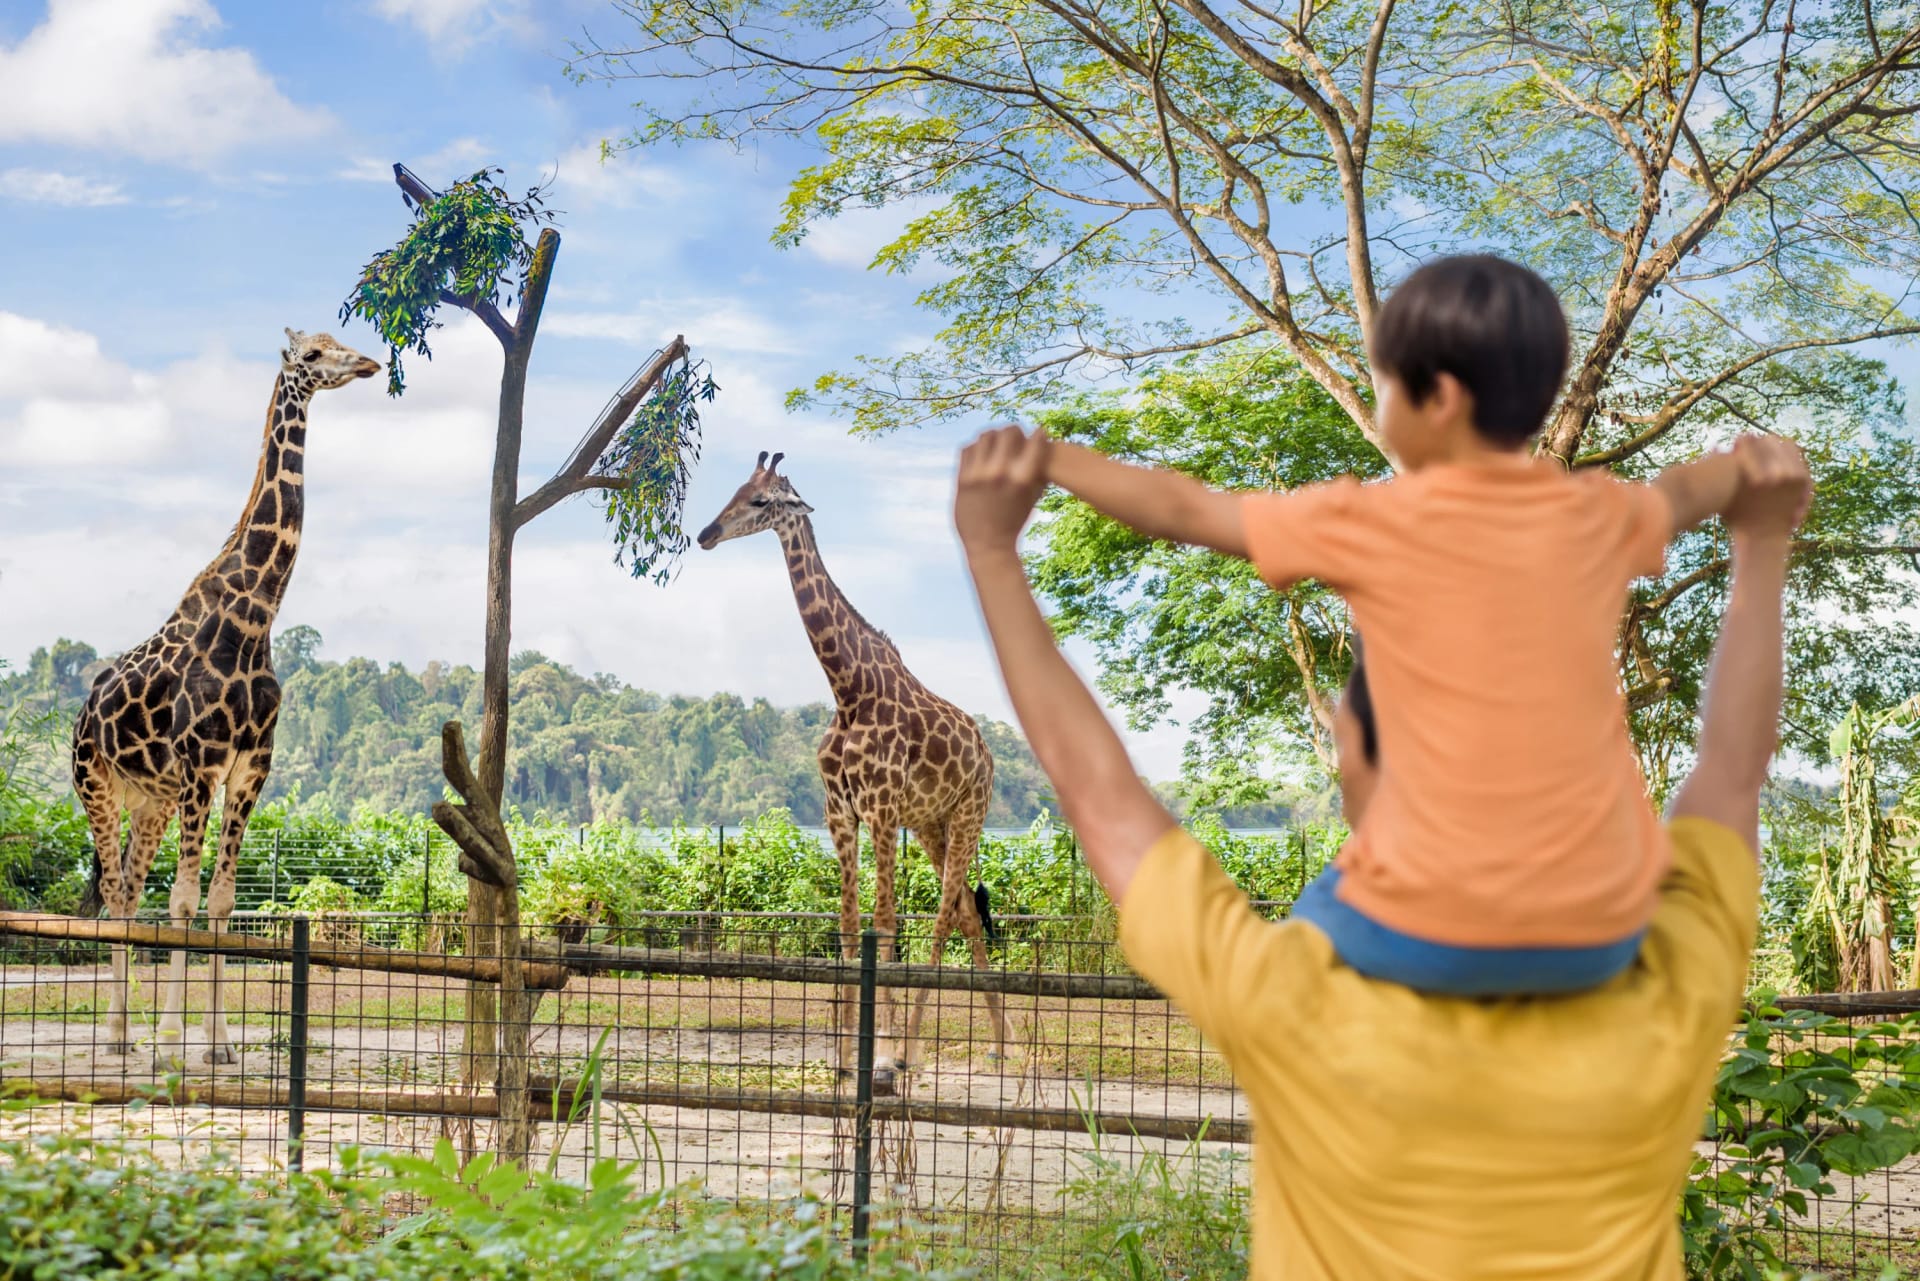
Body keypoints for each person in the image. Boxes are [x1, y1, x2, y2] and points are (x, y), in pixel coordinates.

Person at [953, 422, 1809, 1278]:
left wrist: (993, 552)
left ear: (1355, 753)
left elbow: (1100, 797)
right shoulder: (1666, 979)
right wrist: (1763, 541)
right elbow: (1730, 774)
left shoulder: (1296, 998)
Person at [1040, 255, 1765, 995]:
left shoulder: (1374, 519)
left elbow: (1186, 510)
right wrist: (1742, 465)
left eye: (1384, 384)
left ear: (1439, 398)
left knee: (1306, 928)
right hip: (1602, 929)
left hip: (1429, 932)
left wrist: (1053, 459)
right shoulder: (1600, 514)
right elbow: (1684, 491)